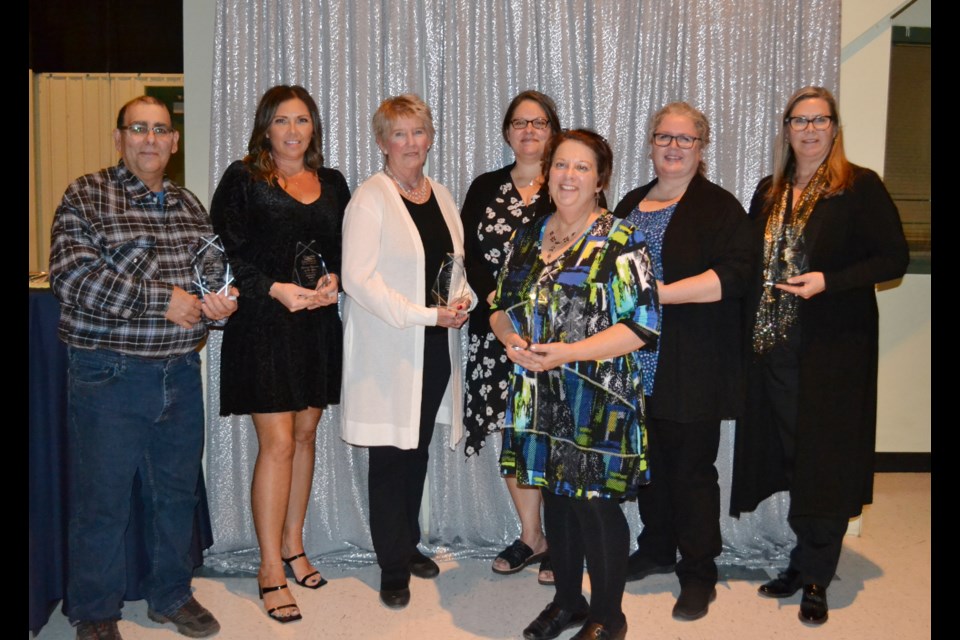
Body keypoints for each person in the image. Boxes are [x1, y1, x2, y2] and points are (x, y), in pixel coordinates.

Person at [49, 95, 237, 640]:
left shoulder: (188, 204)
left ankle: (171, 594)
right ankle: (95, 610)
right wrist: (161, 299)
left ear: (174, 143)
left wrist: (222, 302)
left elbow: (212, 276)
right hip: (109, 375)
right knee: (101, 502)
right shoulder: (87, 195)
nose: (150, 139)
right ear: (119, 138)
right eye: (138, 129)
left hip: (179, 373)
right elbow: (72, 278)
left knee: (174, 496)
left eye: (160, 130)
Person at [730, 86, 909, 626]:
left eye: (820, 120)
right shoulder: (769, 190)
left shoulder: (859, 187)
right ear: (786, 128)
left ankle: (814, 574)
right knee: (791, 457)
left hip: (832, 352)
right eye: (799, 120)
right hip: (774, 350)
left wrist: (829, 281)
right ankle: (801, 556)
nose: (809, 129)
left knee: (824, 463)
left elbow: (893, 258)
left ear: (834, 128)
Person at [490, 129, 659, 640]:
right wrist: (509, 340)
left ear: (601, 179)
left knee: (594, 504)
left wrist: (568, 353)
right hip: (539, 395)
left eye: (581, 168)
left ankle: (610, 615)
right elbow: (499, 305)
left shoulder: (622, 239)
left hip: (599, 398)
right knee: (557, 499)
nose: (568, 176)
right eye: (561, 165)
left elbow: (642, 327)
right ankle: (568, 602)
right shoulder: (530, 234)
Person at [209, 85, 349, 623]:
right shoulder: (243, 179)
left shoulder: (333, 182)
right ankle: (269, 567)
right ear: (265, 127)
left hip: (316, 325)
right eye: (283, 121)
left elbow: (339, 249)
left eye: (303, 120)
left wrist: (333, 277)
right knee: (280, 444)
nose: (293, 131)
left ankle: (294, 544)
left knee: (307, 434)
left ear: (314, 128)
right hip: (264, 326)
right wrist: (274, 289)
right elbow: (223, 255)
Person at [612, 102, 752, 621]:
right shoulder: (630, 201)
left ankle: (698, 572)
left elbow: (736, 275)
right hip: (632, 363)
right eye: (664, 137)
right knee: (648, 466)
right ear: (650, 144)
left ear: (701, 148)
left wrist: (660, 295)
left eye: (685, 139)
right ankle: (655, 548)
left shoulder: (718, 207)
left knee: (692, 471)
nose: (673, 147)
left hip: (693, 362)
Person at [341, 94, 474, 610]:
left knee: (415, 449)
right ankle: (392, 565)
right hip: (390, 349)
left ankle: (408, 542)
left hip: (436, 345)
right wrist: (423, 314)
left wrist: (462, 300)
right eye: (399, 134)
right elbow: (358, 280)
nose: (411, 142)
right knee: (391, 456)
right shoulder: (369, 198)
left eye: (419, 131)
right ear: (381, 142)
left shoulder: (440, 194)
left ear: (430, 137)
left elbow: (454, 265)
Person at [461, 90, 561, 585]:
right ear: (506, 132)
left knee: (551, 433)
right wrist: (499, 308)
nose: (528, 131)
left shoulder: (569, 182)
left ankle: (561, 541)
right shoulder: (484, 187)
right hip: (496, 334)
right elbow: (470, 258)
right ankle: (531, 534)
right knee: (511, 435)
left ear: (552, 130)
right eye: (519, 123)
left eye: (538, 122)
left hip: (555, 336)